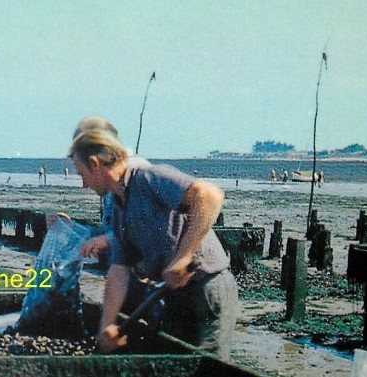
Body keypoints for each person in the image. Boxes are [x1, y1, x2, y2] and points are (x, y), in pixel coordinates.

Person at [67, 127, 238, 359]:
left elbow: (209, 196)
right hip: (174, 294)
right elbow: (119, 270)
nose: (83, 184)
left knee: (205, 372)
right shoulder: (118, 206)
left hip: (207, 287)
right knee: (172, 362)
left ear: (95, 164)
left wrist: (183, 257)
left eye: (81, 174)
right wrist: (107, 325)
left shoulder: (149, 178)